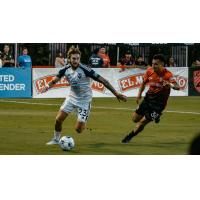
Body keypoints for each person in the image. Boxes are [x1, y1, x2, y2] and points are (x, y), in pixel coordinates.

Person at [41, 46, 127, 145]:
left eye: (77, 58)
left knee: (78, 130)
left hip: (84, 101)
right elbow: (54, 80)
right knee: (58, 119)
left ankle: (83, 117)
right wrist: (47, 86)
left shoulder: (86, 69)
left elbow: (104, 81)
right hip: (71, 98)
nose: (75, 60)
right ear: (69, 58)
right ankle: (56, 139)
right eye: (73, 58)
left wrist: (116, 93)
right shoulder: (65, 69)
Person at [121, 54, 180, 143]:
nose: (153, 66)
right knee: (134, 119)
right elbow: (144, 83)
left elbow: (177, 86)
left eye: (156, 64)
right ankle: (155, 116)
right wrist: (139, 95)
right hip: (147, 99)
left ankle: (129, 136)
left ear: (162, 64)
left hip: (158, 105)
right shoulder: (149, 71)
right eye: (152, 64)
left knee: (142, 122)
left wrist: (170, 85)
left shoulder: (168, 75)